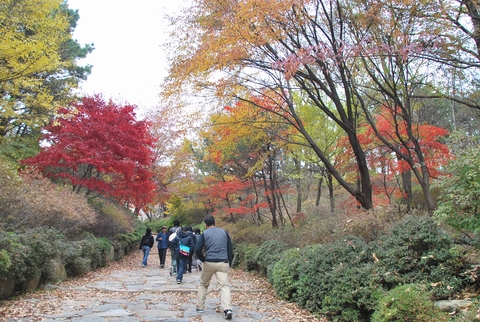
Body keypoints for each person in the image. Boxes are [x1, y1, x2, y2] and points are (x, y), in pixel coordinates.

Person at [195, 214, 233, 320]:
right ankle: (227, 308)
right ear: (214, 223)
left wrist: (203, 259)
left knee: (203, 284)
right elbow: (230, 248)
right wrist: (228, 261)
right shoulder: (224, 232)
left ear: (205, 224)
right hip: (223, 262)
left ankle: (200, 307)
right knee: (224, 286)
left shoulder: (205, 234)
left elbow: (197, 248)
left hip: (210, 262)